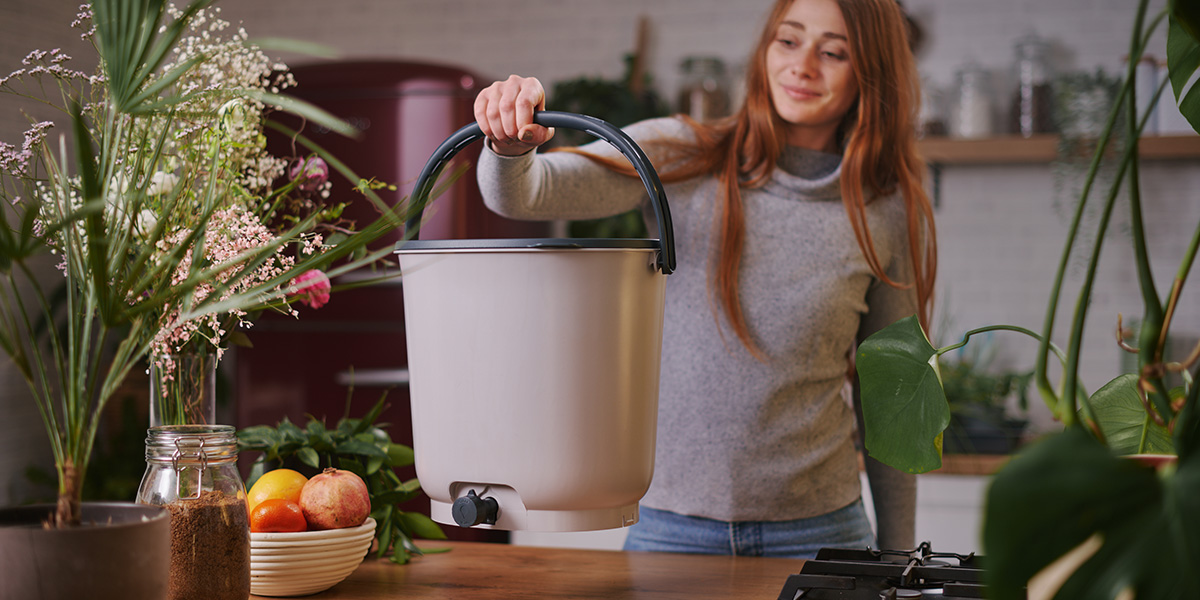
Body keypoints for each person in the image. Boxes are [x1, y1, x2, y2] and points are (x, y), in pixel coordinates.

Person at [472, 0, 936, 558]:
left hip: (821, 536)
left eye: (834, 51)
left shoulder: (886, 209)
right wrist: (509, 144)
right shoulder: (681, 153)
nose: (803, 65)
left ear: (872, 71)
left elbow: (893, 395)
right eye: (788, 41)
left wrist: (899, 558)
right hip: (671, 530)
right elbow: (526, 193)